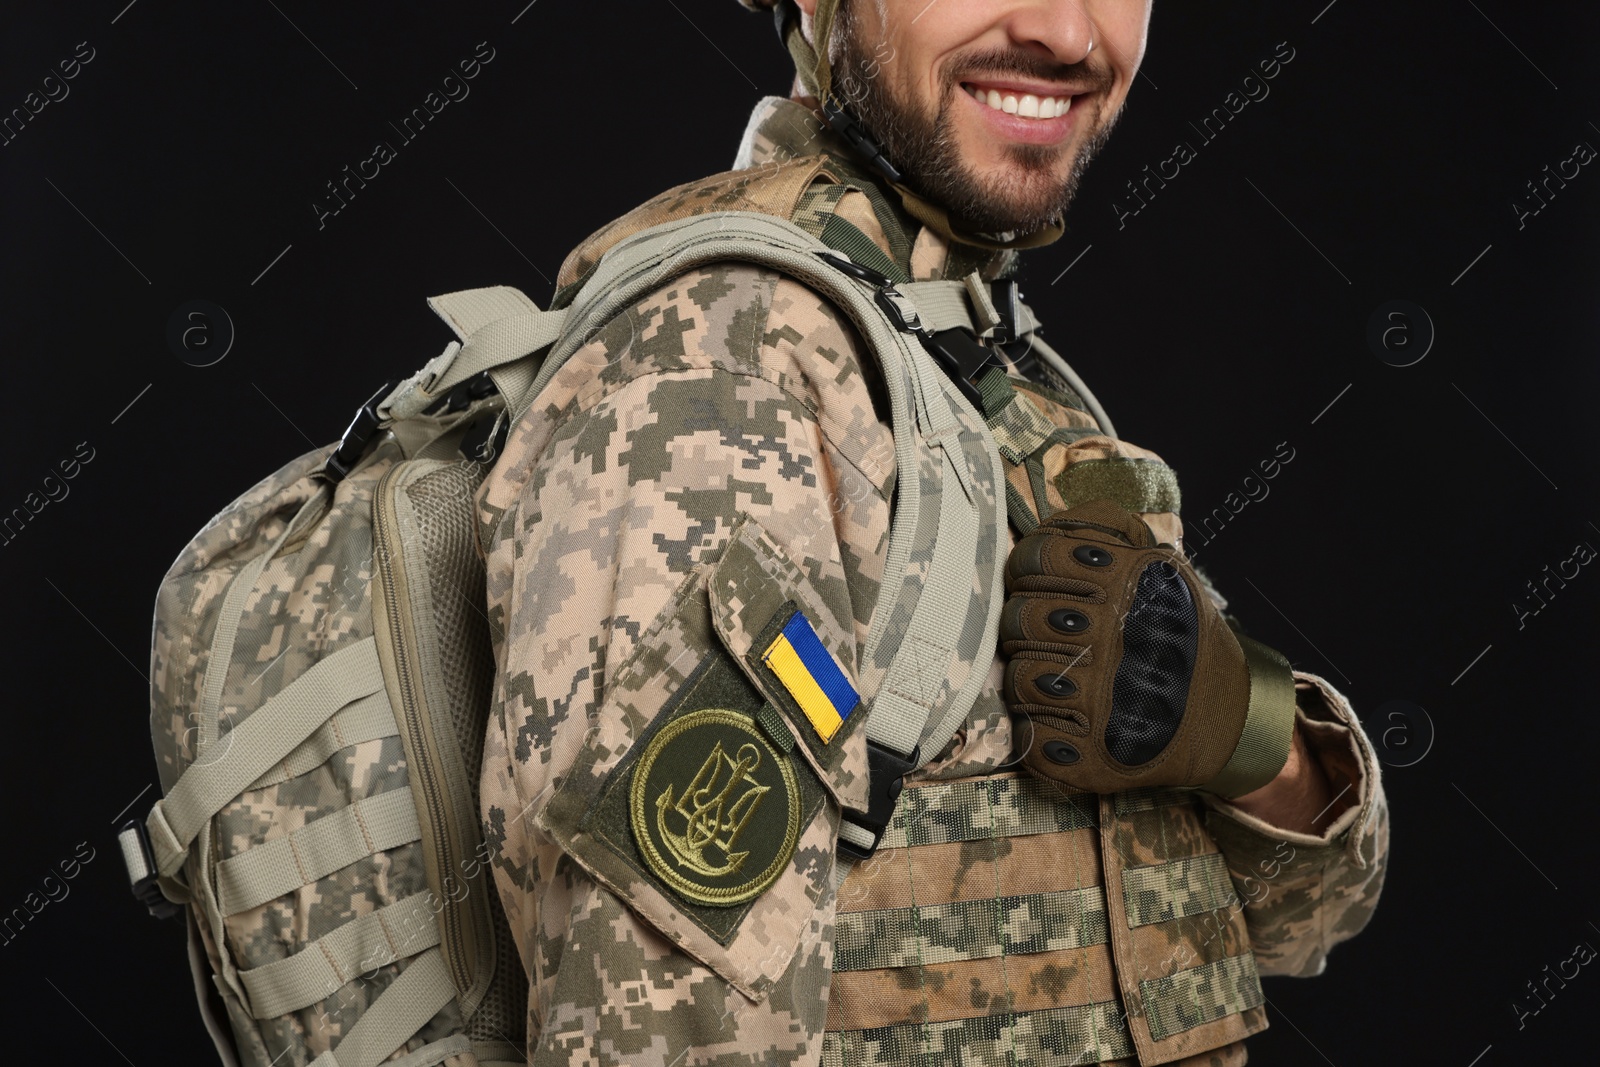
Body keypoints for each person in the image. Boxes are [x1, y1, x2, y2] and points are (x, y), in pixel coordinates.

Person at [475, 1, 1389, 1064]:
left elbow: (1296, 926)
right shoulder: (726, 366)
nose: (1066, 32)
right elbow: (651, 1033)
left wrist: (1244, 730)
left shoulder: (965, 346)